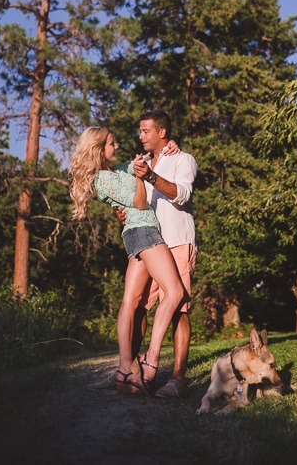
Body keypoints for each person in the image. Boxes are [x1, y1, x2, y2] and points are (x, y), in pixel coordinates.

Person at [70, 126, 187, 395]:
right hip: (144, 231)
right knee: (175, 292)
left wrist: (171, 146)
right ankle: (151, 359)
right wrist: (138, 179)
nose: (117, 146)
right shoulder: (102, 180)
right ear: (99, 149)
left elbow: (147, 160)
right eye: (112, 143)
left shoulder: (118, 170)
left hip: (136, 235)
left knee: (131, 302)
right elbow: (140, 202)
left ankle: (124, 368)